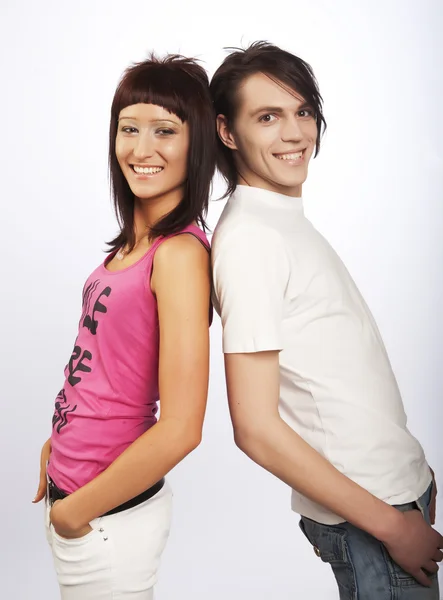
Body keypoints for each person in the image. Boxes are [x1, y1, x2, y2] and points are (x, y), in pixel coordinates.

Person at [210, 41, 442, 599]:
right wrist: (393, 527)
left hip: (390, 501)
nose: (295, 134)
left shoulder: (280, 219)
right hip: (373, 522)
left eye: (303, 112)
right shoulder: (251, 239)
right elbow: (256, 429)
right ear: (227, 132)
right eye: (268, 117)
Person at [32, 53, 216, 599]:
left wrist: (77, 513)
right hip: (80, 499)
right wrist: (57, 441)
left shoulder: (179, 255)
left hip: (107, 518)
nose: (141, 149)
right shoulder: (130, 249)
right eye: (128, 128)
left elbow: (183, 427)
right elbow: (107, 367)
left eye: (165, 131)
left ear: (198, 143)